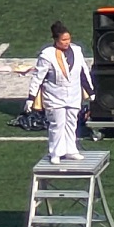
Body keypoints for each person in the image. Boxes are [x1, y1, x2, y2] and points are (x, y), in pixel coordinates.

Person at [26, 23, 92, 163]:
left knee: (71, 122)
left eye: (68, 39)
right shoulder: (47, 55)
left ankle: (71, 150)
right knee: (57, 124)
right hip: (54, 95)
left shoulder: (77, 50)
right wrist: (31, 98)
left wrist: (90, 90)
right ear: (56, 40)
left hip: (73, 94)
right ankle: (56, 152)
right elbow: (38, 77)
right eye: (63, 40)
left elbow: (83, 72)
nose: (67, 42)